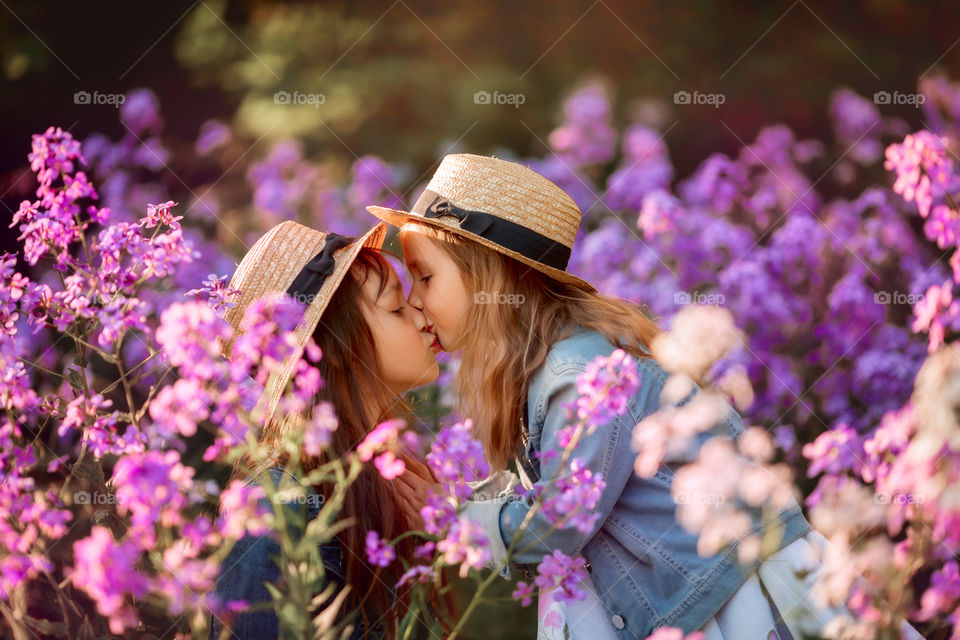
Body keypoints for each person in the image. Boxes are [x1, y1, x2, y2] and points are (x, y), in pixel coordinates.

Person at [367, 154, 923, 639]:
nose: (415, 301)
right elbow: (549, 481)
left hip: (731, 595)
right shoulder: (544, 366)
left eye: (424, 278)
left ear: (490, 280)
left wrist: (459, 522)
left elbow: (564, 516)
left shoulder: (575, 369)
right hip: (695, 590)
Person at [210, 220, 442, 640]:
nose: (423, 315)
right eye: (395, 307)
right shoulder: (274, 509)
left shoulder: (391, 476)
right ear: (334, 350)